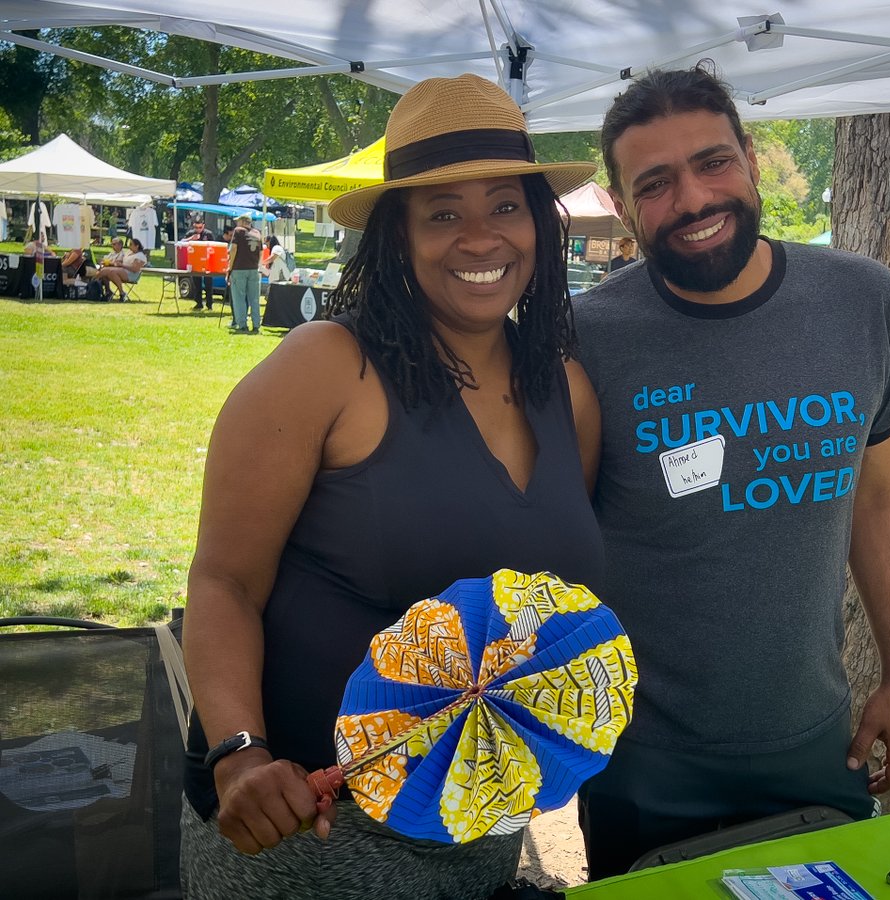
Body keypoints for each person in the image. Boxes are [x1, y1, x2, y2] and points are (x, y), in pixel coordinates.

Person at [180, 73, 601, 900]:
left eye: (505, 206)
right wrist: (240, 753)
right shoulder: (326, 368)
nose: (480, 238)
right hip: (308, 833)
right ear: (396, 234)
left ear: (540, 228)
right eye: (442, 212)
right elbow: (222, 581)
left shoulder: (570, 392)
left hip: (476, 834)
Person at [571, 64, 890, 880]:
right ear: (624, 207)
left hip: (815, 743)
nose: (692, 200)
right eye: (655, 183)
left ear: (753, 161)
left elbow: (876, 500)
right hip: (643, 759)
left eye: (713, 162)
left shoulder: (863, 301)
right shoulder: (584, 334)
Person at [225, 214, 263, 333]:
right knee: (254, 299)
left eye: (238, 221)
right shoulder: (257, 233)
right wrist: (257, 264)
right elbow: (261, 251)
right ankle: (256, 325)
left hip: (239, 268)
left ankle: (242, 324)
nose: (236, 224)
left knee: (239, 297)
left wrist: (229, 268)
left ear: (242, 222)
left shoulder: (238, 231)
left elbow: (234, 248)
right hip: (253, 269)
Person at [180, 218, 216, 311]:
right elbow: (181, 243)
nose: (198, 229)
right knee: (196, 283)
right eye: (196, 227)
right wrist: (191, 239)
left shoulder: (208, 234)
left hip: (207, 262)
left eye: (200, 227)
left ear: (203, 226)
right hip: (195, 261)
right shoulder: (190, 233)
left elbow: (214, 247)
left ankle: (209, 304)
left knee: (208, 283)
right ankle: (199, 303)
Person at [96, 237, 146, 301]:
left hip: (131, 274)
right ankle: (113, 292)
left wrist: (122, 265)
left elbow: (135, 269)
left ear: (137, 246)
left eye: (131, 244)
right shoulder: (128, 253)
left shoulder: (140, 256)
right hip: (122, 270)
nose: (129, 246)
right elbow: (122, 261)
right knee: (107, 272)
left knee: (108, 271)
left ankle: (93, 282)